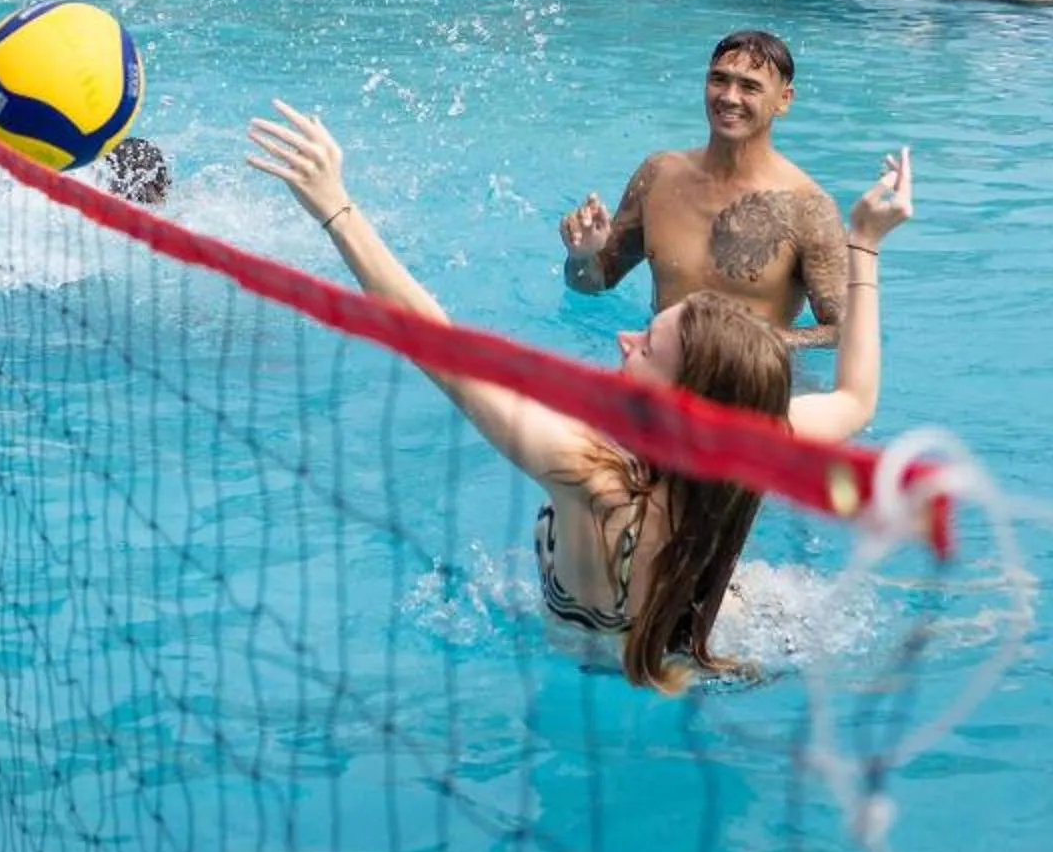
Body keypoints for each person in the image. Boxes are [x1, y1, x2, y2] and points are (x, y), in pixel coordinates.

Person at [248, 100, 912, 689]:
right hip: (716, 634)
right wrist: (867, 245)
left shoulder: (589, 474)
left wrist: (335, 207)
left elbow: (434, 342)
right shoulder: (747, 443)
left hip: (598, 663)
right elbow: (856, 399)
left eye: (647, 346)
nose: (625, 340)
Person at [557, 29, 847, 346]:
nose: (729, 96)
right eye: (719, 80)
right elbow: (592, 284)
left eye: (750, 86)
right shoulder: (658, 176)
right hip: (660, 368)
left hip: (752, 386)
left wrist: (750, 342)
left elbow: (843, 331)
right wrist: (581, 256)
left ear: (783, 100)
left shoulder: (807, 206)